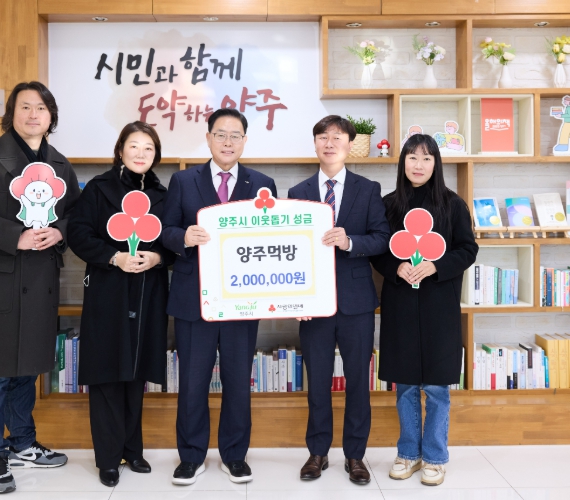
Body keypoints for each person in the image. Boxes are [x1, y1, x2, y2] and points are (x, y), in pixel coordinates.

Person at [0, 81, 80, 494]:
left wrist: (59, 232)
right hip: (2, 277)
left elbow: (76, 217)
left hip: (42, 277)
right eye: (25, 107)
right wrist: (18, 237)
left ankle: (24, 443)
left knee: (27, 367)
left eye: (41, 108)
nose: (33, 114)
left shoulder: (60, 164)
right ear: (11, 113)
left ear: (51, 117)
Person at [161, 108, 277, 485]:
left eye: (235, 135)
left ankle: (234, 455)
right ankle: (191, 456)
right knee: (192, 382)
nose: (228, 142)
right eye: (221, 135)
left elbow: (273, 239)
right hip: (194, 298)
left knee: (238, 381)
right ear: (209, 138)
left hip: (242, 300)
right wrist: (183, 237)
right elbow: (165, 230)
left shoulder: (263, 184)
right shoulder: (183, 180)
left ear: (245, 141)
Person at [67, 122, 174, 487]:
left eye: (148, 148)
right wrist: (115, 257)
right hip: (108, 290)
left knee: (136, 374)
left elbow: (173, 241)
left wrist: (157, 258)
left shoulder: (162, 194)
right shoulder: (99, 189)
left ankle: (133, 449)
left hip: (148, 292)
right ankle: (108, 458)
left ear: (155, 155)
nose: (141, 153)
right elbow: (78, 233)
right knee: (108, 374)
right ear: (120, 150)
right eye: (134, 146)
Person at [370, 134, 478, 486]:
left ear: (436, 164)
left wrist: (436, 266)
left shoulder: (453, 204)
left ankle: (434, 457)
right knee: (404, 386)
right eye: (412, 157)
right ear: (402, 162)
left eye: (427, 158)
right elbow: (377, 250)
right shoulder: (388, 205)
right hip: (400, 305)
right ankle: (408, 453)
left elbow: (468, 249)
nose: (419, 165)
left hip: (439, 307)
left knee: (436, 388)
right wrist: (396, 267)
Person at [287, 115, 389, 485]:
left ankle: (355, 455)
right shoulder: (297, 191)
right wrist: (296, 300)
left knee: (358, 381)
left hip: (356, 301)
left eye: (337, 137)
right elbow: (290, 250)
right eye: (323, 137)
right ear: (315, 143)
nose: (329, 143)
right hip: (313, 303)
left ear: (349, 144)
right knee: (317, 381)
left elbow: (381, 238)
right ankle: (317, 452)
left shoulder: (368, 188)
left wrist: (350, 242)